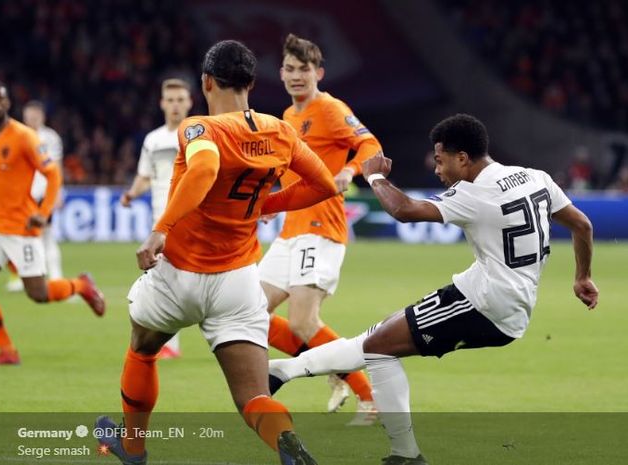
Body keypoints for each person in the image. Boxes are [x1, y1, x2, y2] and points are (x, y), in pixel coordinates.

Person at [268, 114, 599, 465]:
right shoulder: (536, 178)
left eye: (440, 160)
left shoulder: (474, 192)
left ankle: (406, 455)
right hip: (499, 297)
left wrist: (376, 175)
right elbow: (582, 224)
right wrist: (583, 277)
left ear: (462, 158)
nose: (436, 169)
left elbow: (404, 210)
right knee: (378, 337)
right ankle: (283, 371)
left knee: (379, 347)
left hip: (485, 304)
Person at [95, 40, 339, 465]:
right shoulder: (280, 131)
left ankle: (132, 448)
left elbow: (205, 167)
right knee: (252, 397)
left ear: (207, 82)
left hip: (179, 275)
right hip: (238, 282)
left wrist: (159, 230)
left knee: (142, 347)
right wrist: (266, 205)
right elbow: (324, 184)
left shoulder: (200, 128)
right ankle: (287, 443)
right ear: (251, 82)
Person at [0, 81, 106, 366]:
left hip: (21, 227)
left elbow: (52, 175)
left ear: (7, 103)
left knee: (38, 293)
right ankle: (7, 351)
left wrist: (43, 210)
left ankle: (81, 286)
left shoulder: (25, 137)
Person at [258, 33, 383, 423]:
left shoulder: (329, 108)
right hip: (290, 230)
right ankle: (334, 366)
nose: (297, 76)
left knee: (302, 321)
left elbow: (371, 146)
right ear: (281, 73)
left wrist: (348, 170)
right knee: (248, 314)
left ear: (319, 73)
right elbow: (284, 168)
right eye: (291, 69)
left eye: (305, 70)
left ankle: (370, 396)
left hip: (322, 226)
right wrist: (266, 200)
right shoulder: (288, 116)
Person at [120, 78, 193, 359]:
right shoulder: (153, 139)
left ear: (189, 102)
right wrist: (131, 194)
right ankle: (170, 346)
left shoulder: (198, 133)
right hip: (159, 221)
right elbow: (145, 176)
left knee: (176, 277)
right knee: (165, 277)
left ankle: (170, 344)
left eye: (180, 100)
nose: (175, 105)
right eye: (170, 100)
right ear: (162, 103)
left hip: (190, 216)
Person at [5, 100, 66, 292]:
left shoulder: (50, 137)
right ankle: (27, 278)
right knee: (22, 238)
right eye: (29, 115)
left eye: (36, 115)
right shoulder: (15, 135)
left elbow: (56, 166)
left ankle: (55, 277)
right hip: (21, 195)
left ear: (42, 116)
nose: (32, 118)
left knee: (46, 235)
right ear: (24, 116)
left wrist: (57, 193)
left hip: (42, 194)